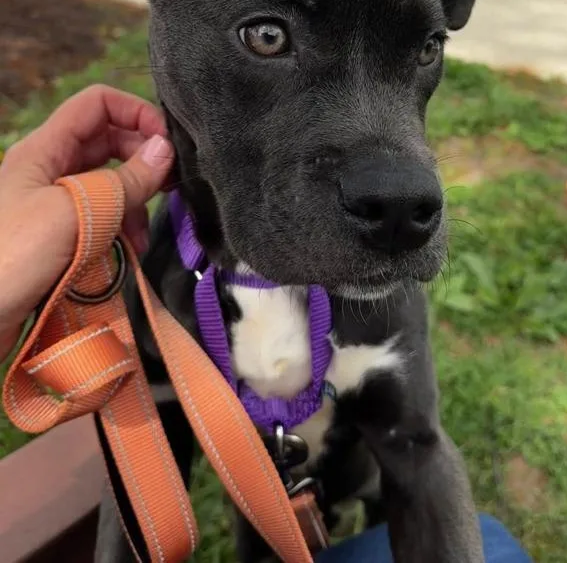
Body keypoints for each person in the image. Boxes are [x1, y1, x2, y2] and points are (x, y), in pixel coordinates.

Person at [0, 85, 531, 563]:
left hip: (363, 480)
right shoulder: (163, 291)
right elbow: (144, 467)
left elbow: (415, 447)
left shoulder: (376, 266)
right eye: (267, 36)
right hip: (257, 500)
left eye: (423, 49)